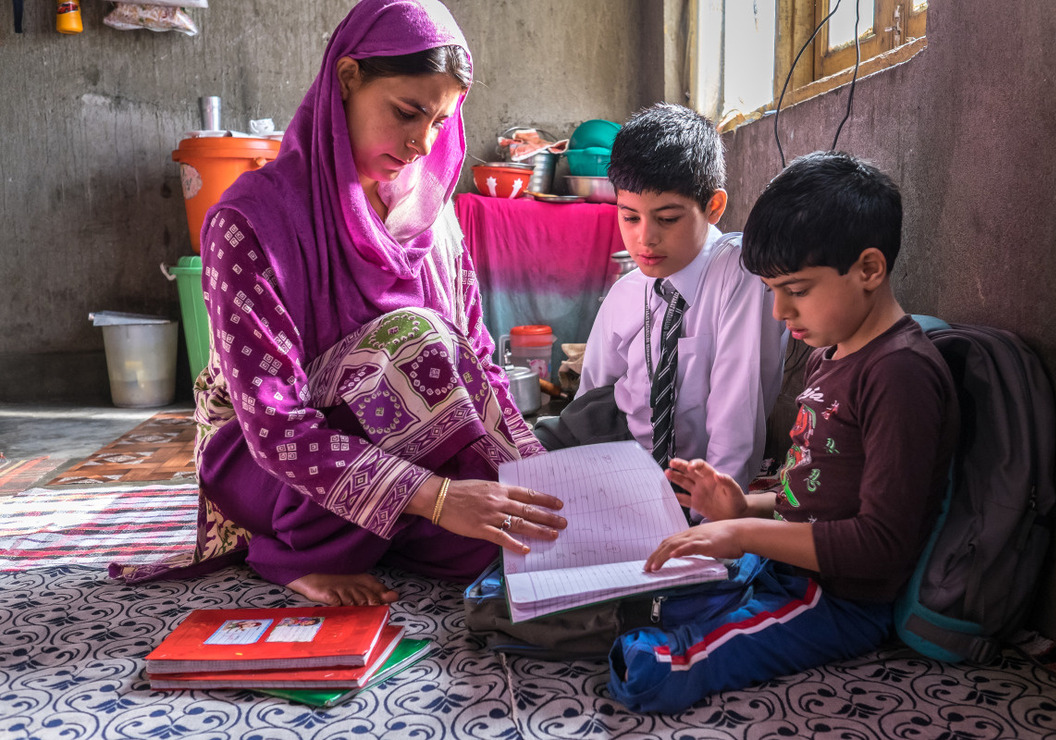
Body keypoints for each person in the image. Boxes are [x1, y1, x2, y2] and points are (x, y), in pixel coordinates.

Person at [115, 0, 567, 606]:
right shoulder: (249, 223)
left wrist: (536, 481)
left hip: (404, 455)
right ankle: (287, 550)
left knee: (509, 537)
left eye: (438, 123)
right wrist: (436, 498)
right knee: (417, 342)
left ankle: (388, 528)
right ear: (348, 79)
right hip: (273, 466)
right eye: (407, 112)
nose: (419, 144)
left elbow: (480, 365)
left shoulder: (433, 221)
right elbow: (276, 426)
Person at [606, 151, 960, 713]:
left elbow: (880, 545)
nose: (778, 312)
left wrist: (744, 532)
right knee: (634, 601)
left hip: (836, 597)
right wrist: (743, 504)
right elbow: (819, 491)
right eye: (772, 290)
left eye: (796, 289)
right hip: (781, 565)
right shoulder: (833, 349)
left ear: (869, 269)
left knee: (657, 670)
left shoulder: (900, 374)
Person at [534, 103, 786, 494]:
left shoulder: (738, 274)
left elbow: (735, 430)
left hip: (693, 488)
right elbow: (589, 401)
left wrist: (709, 531)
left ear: (714, 207)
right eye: (629, 217)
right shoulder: (627, 293)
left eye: (667, 219)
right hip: (619, 463)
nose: (645, 239)